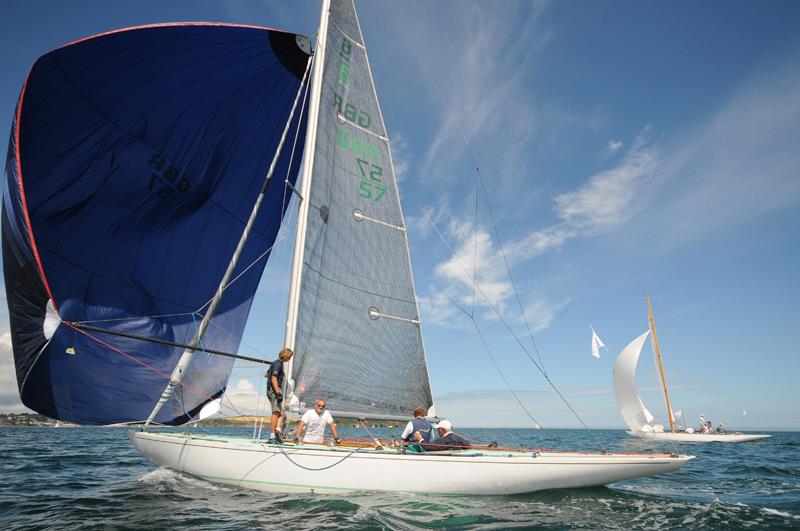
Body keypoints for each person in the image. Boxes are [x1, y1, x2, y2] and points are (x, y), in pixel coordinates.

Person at [266, 347, 293, 443]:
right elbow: (273, 379)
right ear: (285, 356)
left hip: (272, 390)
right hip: (274, 391)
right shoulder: (278, 364)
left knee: (281, 412)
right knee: (276, 412)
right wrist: (278, 392)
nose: (289, 359)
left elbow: (266, 374)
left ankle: (277, 431)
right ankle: (272, 436)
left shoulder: (275, 363)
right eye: (289, 357)